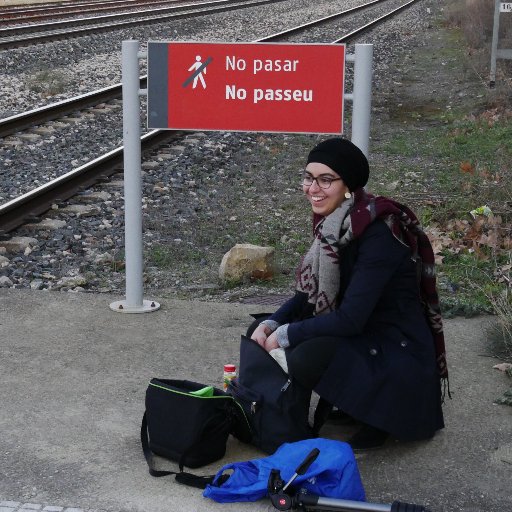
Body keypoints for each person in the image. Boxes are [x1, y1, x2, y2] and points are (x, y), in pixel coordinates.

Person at [250, 137, 448, 450]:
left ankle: (378, 414)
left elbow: (351, 319)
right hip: (364, 334)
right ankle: (287, 419)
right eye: (308, 177)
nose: (312, 188)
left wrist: (287, 334)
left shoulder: (379, 234)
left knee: (304, 352)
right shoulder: (334, 224)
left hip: (395, 349)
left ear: (348, 186)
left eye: (325, 179)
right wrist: (273, 323)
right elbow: (310, 293)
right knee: (258, 330)